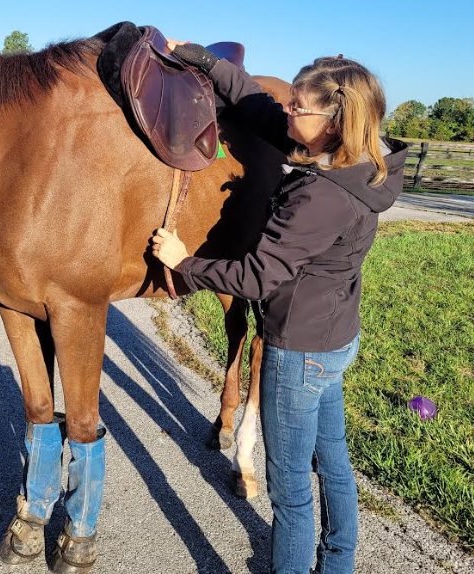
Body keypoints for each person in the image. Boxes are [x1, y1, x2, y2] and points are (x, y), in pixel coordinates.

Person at [152, 42, 408, 574]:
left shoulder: (321, 197)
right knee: (332, 462)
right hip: (335, 336)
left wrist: (184, 262)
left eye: (298, 108)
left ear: (334, 121)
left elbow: (255, 275)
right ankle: (338, 562)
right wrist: (200, 58)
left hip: (297, 350)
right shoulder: (362, 166)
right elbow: (253, 101)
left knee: (289, 490)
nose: (286, 111)